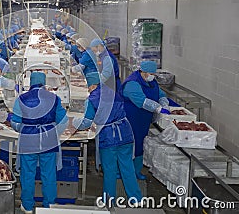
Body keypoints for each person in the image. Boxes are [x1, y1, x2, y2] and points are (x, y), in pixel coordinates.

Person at [73, 72, 142, 206]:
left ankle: (109, 201)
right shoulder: (113, 93)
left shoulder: (92, 99)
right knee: (127, 168)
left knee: (110, 170)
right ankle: (136, 199)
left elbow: (86, 122)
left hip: (109, 137)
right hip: (126, 132)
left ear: (92, 85)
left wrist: (74, 122)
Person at [11, 72, 68, 214]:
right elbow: (63, 120)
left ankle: (27, 206)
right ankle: (49, 206)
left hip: (28, 140)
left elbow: (15, 122)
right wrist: (55, 132)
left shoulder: (21, 98)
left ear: (30, 83)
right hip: (48, 139)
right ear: (43, 83)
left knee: (27, 174)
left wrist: (23, 128)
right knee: (49, 174)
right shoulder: (54, 98)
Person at [121, 60, 170, 180]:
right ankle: (122, 171)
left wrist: (164, 102)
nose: (153, 76)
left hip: (143, 119)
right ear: (143, 72)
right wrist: (158, 108)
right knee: (128, 144)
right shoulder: (132, 83)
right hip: (131, 117)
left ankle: (136, 170)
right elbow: (142, 101)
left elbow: (160, 93)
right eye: (151, 74)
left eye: (154, 74)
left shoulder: (151, 82)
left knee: (140, 143)